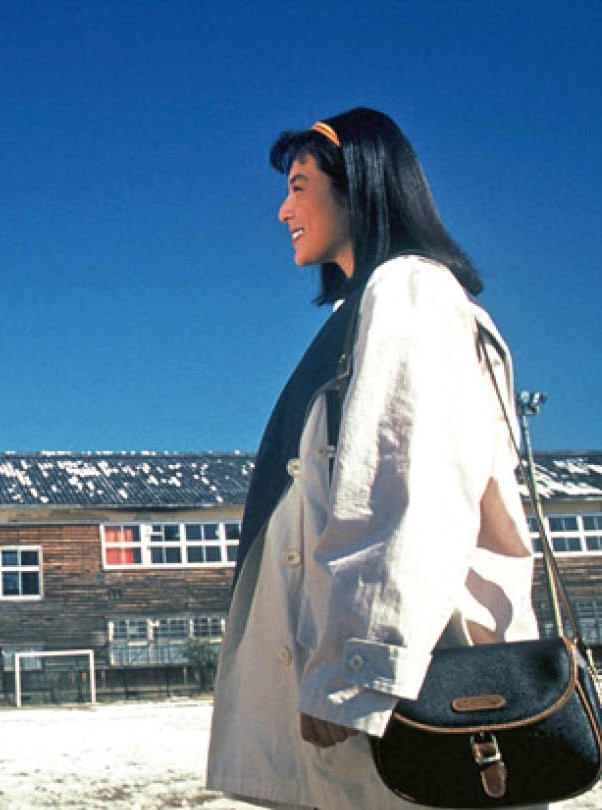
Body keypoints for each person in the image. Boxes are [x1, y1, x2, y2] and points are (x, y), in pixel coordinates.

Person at [206, 108, 539, 808]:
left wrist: (356, 668)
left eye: (299, 186)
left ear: (357, 185)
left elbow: (405, 484)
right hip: (377, 708)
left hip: (412, 705)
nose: (282, 211)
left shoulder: (409, 289)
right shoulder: (357, 314)